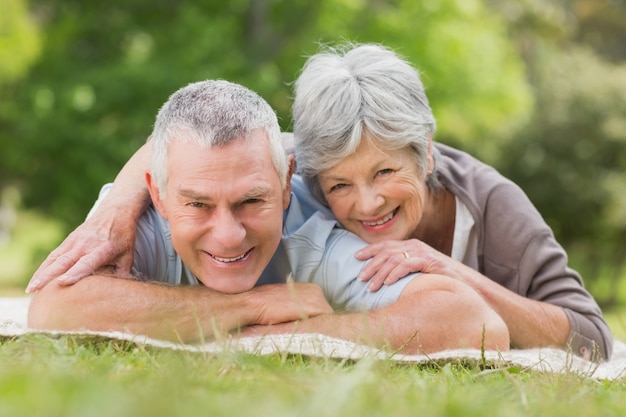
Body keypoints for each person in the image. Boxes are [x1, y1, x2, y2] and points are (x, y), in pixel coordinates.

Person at [28, 79, 510, 354]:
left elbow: (474, 322)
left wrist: (287, 334)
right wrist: (252, 308)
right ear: (158, 192)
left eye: (250, 202)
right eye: (198, 205)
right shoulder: (137, 222)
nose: (229, 234)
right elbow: (53, 308)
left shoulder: (311, 234)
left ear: (285, 188)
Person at [289, 43, 612, 361]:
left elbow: (592, 339)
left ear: (427, 154)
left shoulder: (495, 207)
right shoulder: (294, 187)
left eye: (384, 171)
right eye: (340, 185)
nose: (368, 204)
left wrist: (451, 271)